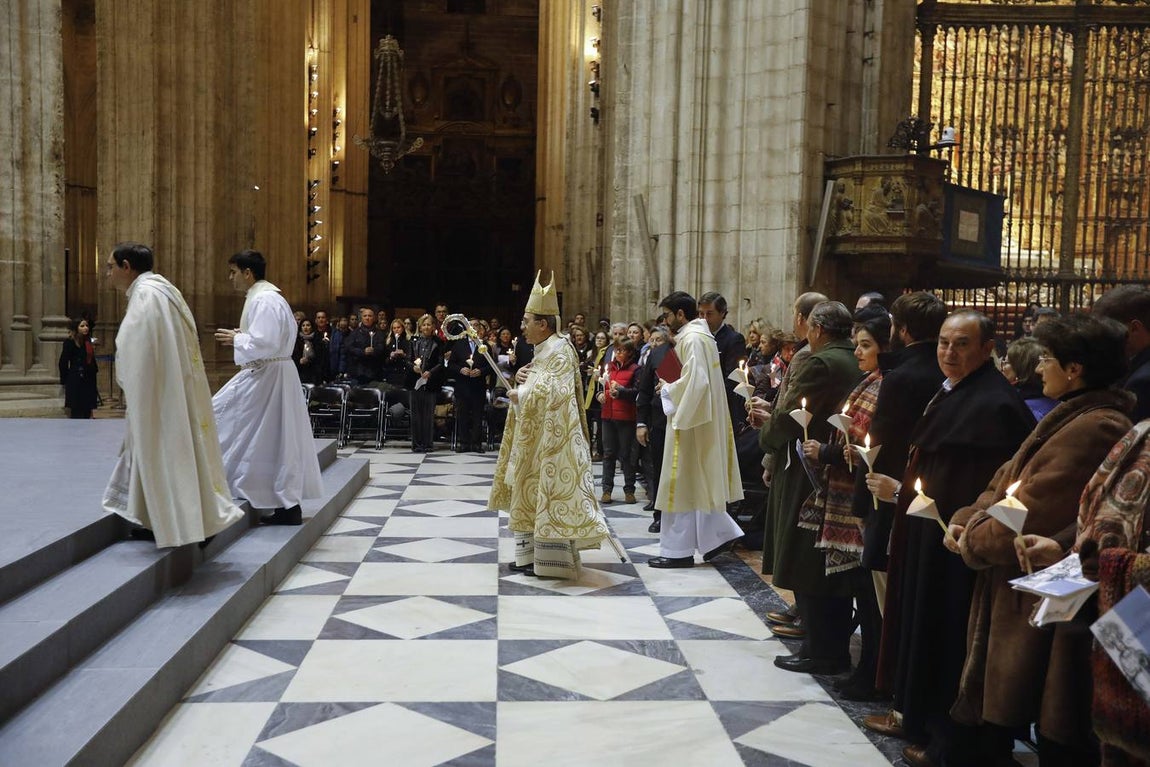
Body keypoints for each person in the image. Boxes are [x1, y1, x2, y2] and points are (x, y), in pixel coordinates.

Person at [947, 313, 1133, 766]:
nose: (1039, 367)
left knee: (1031, 708)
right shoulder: (1069, 415)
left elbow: (1032, 501)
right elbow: (1005, 481)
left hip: (1037, 591)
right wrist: (970, 516)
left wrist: (973, 537)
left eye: (1047, 358)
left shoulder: (1096, 426)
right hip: (1012, 582)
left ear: (1075, 369)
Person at [864, 311, 1035, 767]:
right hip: (926, 534)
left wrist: (902, 492)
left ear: (986, 348)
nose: (949, 353)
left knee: (947, 634)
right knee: (924, 625)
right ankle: (919, 717)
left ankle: (946, 740)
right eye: (943, 343)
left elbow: (972, 485)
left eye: (961, 344)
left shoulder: (993, 404)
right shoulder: (956, 390)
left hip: (953, 546)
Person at [101, 242, 245, 546]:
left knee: (164, 453)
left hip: (159, 393)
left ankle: (188, 524)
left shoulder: (146, 297)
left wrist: (132, 384)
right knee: (155, 453)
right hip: (170, 387)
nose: (107, 273)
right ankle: (153, 519)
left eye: (110, 266)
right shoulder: (164, 291)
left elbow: (135, 348)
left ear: (127, 267)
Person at [761, 301, 862, 674]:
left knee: (808, 559)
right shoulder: (852, 359)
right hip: (835, 465)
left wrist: (766, 437)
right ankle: (822, 644)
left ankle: (822, 650)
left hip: (811, 466)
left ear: (817, 329)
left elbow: (789, 415)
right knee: (827, 560)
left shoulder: (821, 362)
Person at [796, 305, 890, 698]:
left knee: (870, 596)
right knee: (861, 590)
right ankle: (862, 665)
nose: (858, 352)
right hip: (845, 491)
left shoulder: (886, 384)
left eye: (865, 345)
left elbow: (873, 442)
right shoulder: (868, 380)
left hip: (865, 500)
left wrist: (831, 452)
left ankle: (870, 670)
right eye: (856, 345)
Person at [490, 272, 611, 578]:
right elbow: (538, 379)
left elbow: (557, 395)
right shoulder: (544, 347)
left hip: (551, 443)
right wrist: (522, 379)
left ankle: (549, 562)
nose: (522, 327)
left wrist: (523, 393)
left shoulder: (560, 349)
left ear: (543, 324)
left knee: (544, 495)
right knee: (528, 492)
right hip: (535, 436)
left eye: (526, 321)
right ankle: (529, 557)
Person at [212, 250, 323, 526]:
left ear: (248, 273)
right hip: (275, 373)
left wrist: (237, 340)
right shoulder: (271, 298)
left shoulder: (263, 299)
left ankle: (224, 484)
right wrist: (242, 337)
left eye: (233, 272)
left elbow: (266, 343)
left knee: (223, 418)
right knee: (275, 440)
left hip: (268, 374)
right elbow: (269, 338)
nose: (231, 278)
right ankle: (282, 502)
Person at [647, 290, 744, 569]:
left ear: (680, 314)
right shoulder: (699, 337)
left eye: (667, 316)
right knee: (696, 482)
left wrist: (668, 389)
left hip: (689, 422)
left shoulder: (692, 338)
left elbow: (696, 383)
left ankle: (677, 551)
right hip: (699, 419)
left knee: (680, 483)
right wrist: (670, 382)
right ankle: (717, 535)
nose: (664, 322)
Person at [749, 291, 827, 633]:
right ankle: (800, 607)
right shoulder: (807, 354)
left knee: (799, 538)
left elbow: (791, 411)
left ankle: (809, 616)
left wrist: (768, 434)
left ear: (804, 319)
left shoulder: (812, 357)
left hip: (802, 456)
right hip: (793, 451)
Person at [1092, 284, 1150, 423]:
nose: (1100, 338)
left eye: (1106, 331)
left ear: (1134, 328)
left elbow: (1127, 436)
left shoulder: (1142, 382)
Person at [636, 325, 673, 526]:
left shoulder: (691, 349)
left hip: (685, 421)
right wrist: (641, 422)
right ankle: (660, 515)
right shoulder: (659, 353)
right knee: (660, 468)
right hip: (659, 420)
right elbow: (645, 389)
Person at [698, 291, 749, 435]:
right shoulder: (698, 338)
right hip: (700, 406)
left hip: (721, 405)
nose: (704, 319)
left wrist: (707, 396)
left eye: (709, 314)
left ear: (722, 314)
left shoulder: (733, 339)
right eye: (701, 314)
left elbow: (733, 377)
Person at [598, 339, 640, 504]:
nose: (618, 353)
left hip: (626, 417)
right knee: (608, 454)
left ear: (629, 352)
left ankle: (629, 490)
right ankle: (606, 490)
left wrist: (622, 392)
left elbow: (637, 392)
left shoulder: (635, 369)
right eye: (617, 350)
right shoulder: (609, 367)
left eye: (622, 350)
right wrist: (600, 395)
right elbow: (603, 388)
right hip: (607, 415)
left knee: (626, 455)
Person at [447, 316, 492, 452]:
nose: (473, 327)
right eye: (470, 325)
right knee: (463, 415)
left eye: (476, 325)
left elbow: (491, 366)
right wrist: (461, 369)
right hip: (463, 385)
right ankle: (464, 443)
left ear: (480, 328)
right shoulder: (459, 344)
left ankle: (477, 443)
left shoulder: (484, 346)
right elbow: (451, 365)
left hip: (478, 385)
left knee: (478, 415)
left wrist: (481, 371)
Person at [410, 313, 446, 453]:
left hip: (431, 381)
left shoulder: (438, 342)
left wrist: (430, 372)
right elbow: (408, 359)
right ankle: (416, 444)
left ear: (433, 327)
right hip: (415, 381)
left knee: (428, 414)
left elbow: (441, 362)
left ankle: (427, 443)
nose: (426, 327)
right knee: (416, 414)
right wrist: (413, 367)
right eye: (424, 324)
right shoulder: (413, 341)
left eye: (429, 324)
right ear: (420, 326)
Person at [1003, 336, 1058, 421]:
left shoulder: (1023, 408)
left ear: (1022, 368)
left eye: (1007, 362)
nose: (1003, 368)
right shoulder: (1054, 397)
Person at [59, 317, 99, 418]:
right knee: (77, 410)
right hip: (76, 379)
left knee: (87, 408)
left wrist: (94, 371)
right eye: (82, 326)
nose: (85, 328)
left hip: (88, 378)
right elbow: (63, 362)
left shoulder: (88, 341)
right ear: (76, 328)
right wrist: (65, 379)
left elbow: (91, 359)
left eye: (86, 326)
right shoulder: (70, 342)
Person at [346, 306, 384, 384]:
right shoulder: (354, 333)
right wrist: (363, 352)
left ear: (374, 318)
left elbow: (382, 347)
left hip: (374, 372)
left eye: (370, 316)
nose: (367, 318)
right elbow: (349, 348)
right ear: (361, 318)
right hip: (358, 372)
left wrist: (374, 351)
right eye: (365, 316)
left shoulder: (379, 333)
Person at [292, 318, 329, 385]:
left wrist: (310, 360)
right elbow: (293, 357)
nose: (305, 327)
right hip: (300, 373)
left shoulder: (318, 340)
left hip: (315, 374)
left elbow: (322, 359)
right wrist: (299, 361)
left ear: (312, 327)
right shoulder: (296, 341)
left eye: (308, 325)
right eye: (303, 325)